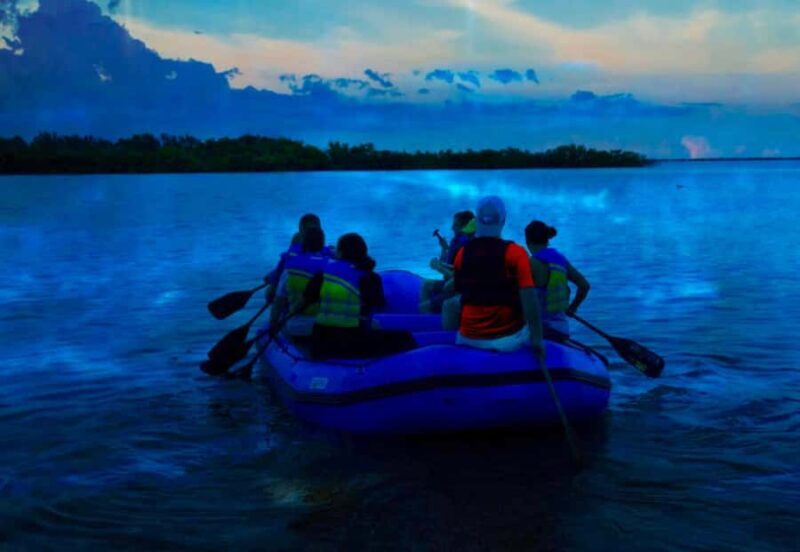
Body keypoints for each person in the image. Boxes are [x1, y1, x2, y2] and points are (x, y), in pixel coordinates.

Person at [447, 196, 544, 357]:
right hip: (506, 340)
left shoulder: (461, 254)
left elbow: (460, 292)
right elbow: (530, 302)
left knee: (451, 305)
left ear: (477, 221)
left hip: (467, 338)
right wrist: (538, 340)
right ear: (503, 220)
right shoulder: (516, 253)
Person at [304, 233, 416, 359]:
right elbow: (379, 305)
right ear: (364, 252)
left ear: (340, 253)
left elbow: (308, 298)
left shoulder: (323, 272)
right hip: (351, 343)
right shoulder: (370, 277)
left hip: (320, 341)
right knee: (404, 338)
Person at [525, 220, 590, 337]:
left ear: (528, 242)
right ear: (547, 240)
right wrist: (572, 308)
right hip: (561, 330)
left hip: (540, 331)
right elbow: (584, 286)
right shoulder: (560, 260)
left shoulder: (531, 263)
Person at [269, 226, 329, 338]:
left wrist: (272, 325)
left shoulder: (289, 268)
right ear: (322, 244)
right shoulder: (331, 267)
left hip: (296, 327)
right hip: (325, 326)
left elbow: (278, 302)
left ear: (303, 244)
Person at [265, 213, 334, 301]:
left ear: (301, 231)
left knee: (270, 292)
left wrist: (272, 279)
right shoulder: (328, 254)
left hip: (292, 299)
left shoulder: (289, 256)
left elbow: (279, 272)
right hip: (315, 301)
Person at [430, 210, 476, 278]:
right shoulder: (455, 241)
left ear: (465, 227)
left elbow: (460, 272)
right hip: (453, 281)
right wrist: (444, 249)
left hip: (462, 284)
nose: (452, 228)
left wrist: (438, 266)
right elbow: (448, 264)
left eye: (456, 225)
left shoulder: (470, 245)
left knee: (428, 285)